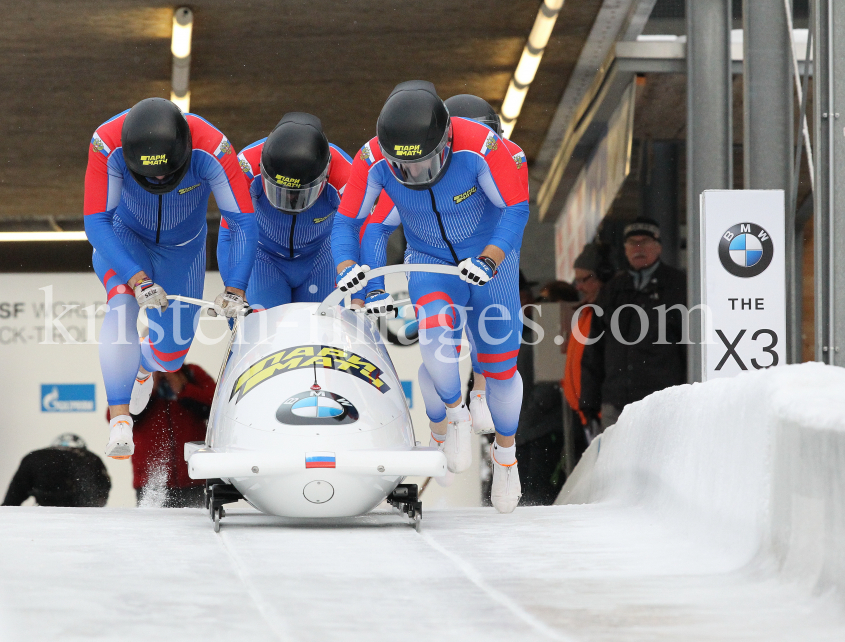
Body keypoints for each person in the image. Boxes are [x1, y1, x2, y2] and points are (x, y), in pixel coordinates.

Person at [332, 82, 529, 513]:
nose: (415, 174)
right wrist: (350, 270)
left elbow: (516, 208)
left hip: (490, 262)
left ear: (447, 143)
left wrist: (492, 257)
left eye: (425, 163)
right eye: (403, 167)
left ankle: (506, 456)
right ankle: (454, 412)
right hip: (429, 260)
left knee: (501, 367)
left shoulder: (484, 148)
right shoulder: (372, 161)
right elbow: (350, 221)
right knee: (437, 336)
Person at [84, 98, 256, 460]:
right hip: (125, 239)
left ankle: (145, 364)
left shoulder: (213, 147)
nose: (160, 179)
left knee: (172, 354)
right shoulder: (106, 142)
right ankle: (120, 421)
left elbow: (242, 220)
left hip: (185, 249)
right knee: (122, 301)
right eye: (150, 175)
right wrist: (136, 278)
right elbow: (97, 221)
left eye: (167, 172)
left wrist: (236, 286)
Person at [218, 113, 353, 310]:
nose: (289, 199)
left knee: (319, 337)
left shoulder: (345, 174)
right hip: (263, 258)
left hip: (320, 258)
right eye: (279, 191)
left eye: (299, 194)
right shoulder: (245, 166)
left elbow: (360, 231)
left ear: (325, 176)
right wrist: (234, 290)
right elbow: (229, 233)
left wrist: (361, 297)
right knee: (258, 332)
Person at [579, 219, 687, 430]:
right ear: (625, 250)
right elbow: (595, 348)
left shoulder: (678, 285)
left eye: (645, 241)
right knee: (617, 463)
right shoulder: (612, 289)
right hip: (616, 402)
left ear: (659, 246)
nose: (638, 248)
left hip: (664, 401)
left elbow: (690, 346)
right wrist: (588, 402)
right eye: (632, 243)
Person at [126, 364, 216, 508]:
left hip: (194, 478)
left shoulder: (193, 373)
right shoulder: (135, 378)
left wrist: (184, 389)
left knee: (197, 529)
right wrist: (147, 388)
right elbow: (115, 416)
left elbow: (216, 405)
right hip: (152, 482)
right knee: (154, 528)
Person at [562, 243, 612, 442]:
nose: (579, 287)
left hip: (600, 413)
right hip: (586, 415)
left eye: (585, 279)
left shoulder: (605, 313)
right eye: (577, 281)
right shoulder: (585, 313)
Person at [2, 434, 111, 507]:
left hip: (47, 509)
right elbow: (101, 492)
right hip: (78, 513)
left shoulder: (35, 457)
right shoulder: (91, 458)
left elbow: (13, 498)